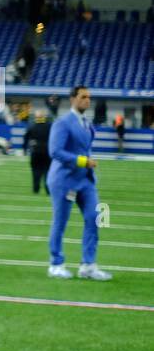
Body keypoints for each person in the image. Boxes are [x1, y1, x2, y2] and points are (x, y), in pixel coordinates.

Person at [46, 85, 110, 280]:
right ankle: (56, 264)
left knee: (95, 217)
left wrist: (86, 164)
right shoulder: (63, 123)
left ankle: (88, 265)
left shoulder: (86, 123)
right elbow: (55, 151)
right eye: (83, 97)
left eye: (89, 97)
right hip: (65, 180)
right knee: (60, 222)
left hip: (86, 180)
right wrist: (83, 161)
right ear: (73, 99)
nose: (87, 101)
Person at [23, 111, 52, 194]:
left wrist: (25, 149)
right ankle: (48, 190)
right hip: (47, 151)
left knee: (35, 171)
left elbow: (26, 138)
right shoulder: (49, 126)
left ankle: (36, 189)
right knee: (47, 171)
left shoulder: (32, 126)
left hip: (36, 151)